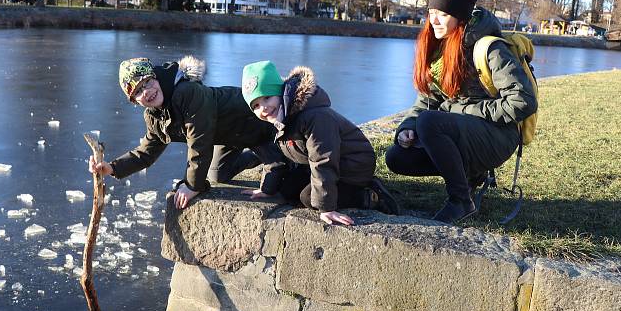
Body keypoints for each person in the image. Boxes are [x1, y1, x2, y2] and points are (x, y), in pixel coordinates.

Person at [385, 0, 538, 223]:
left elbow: (522, 101)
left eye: (442, 14)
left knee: (430, 123)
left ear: (460, 17)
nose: (433, 20)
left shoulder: (490, 49)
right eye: (431, 12)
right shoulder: (440, 47)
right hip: (467, 132)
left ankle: (461, 201)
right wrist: (406, 128)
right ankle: (471, 176)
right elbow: (427, 100)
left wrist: (461, 108)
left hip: (499, 136)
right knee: (397, 157)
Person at [88, 56, 285, 209]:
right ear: (134, 101)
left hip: (254, 124)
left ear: (155, 76)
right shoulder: (155, 116)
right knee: (217, 176)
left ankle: (273, 153)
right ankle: (254, 158)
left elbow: (200, 140)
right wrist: (112, 168)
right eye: (138, 92)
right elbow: (146, 153)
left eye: (147, 82)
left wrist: (192, 186)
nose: (146, 92)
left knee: (277, 182)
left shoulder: (187, 93)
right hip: (228, 137)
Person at [240, 60, 397, 226]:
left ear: (281, 92)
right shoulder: (279, 117)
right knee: (286, 190)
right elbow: (277, 157)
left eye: (267, 97)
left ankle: (370, 195)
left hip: (352, 165)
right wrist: (267, 189)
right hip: (317, 164)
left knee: (309, 198)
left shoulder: (315, 117)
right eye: (256, 105)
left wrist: (326, 207)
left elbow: (323, 159)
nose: (263, 108)